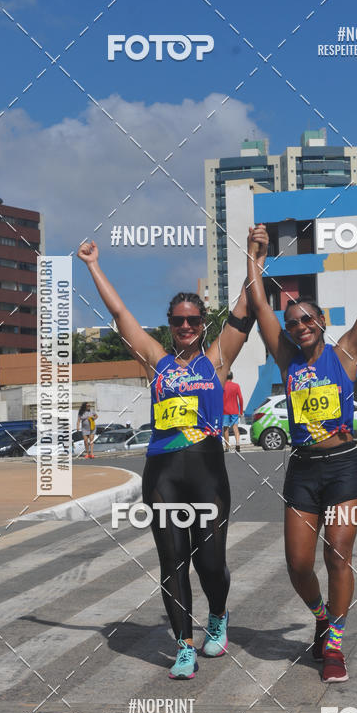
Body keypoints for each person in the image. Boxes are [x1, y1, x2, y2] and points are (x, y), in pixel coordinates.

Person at [247, 220, 357, 682]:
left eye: (307, 319)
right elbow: (260, 305)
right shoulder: (286, 359)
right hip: (302, 470)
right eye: (293, 323)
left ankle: (335, 646)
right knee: (299, 563)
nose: (300, 326)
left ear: (321, 321)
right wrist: (255, 257)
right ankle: (321, 616)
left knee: (338, 554)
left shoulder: (344, 354)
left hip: (345, 467)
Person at [77, 239, 260, 679]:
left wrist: (256, 254)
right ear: (170, 324)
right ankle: (184, 646)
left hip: (208, 473)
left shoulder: (217, 360)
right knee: (173, 561)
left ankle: (218, 614)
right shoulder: (155, 361)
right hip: (162, 473)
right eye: (178, 320)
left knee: (210, 562)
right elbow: (122, 316)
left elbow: (244, 310)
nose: (185, 326)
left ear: (201, 323)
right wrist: (93, 264)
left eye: (193, 320)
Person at [223, 373, 243, 453]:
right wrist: (240, 411)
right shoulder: (236, 386)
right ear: (233, 377)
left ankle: (227, 447)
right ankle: (237, 443)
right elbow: (240, 398)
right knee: (235, 428)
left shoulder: (223, 386)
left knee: (225, 429)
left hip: (224, 410)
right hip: (234, 410)